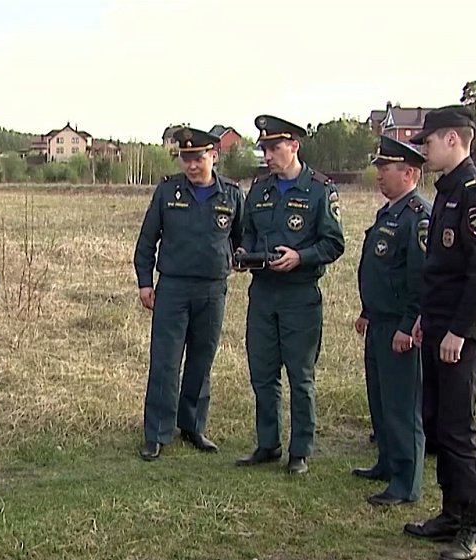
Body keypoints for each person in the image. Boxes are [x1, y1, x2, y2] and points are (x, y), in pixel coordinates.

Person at [402, 106, 476, 560]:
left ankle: (475, 528)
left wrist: (459, 331)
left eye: (427, 142)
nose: (423, 150)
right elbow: (440, 269)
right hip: (438, 326)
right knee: (439, 423)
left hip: (462, 335)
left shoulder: (475, 194)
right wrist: (426, 318)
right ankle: (451, 512)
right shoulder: (447, 192)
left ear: (451, 139)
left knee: (461, 428)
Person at [235, 114, 345, 475]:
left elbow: (334, 243)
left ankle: (300, 450)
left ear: (294, 146)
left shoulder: (320, 189)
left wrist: (301, 257)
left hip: (300, 295)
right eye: (264, 149)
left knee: (300, 377)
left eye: (274, 148)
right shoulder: (259, 189)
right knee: (262, 373)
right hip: (263, 294)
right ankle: (268, 444)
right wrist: (244, 254)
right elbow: (248, 232)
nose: (267, 156)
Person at [133, 126, 245, 461]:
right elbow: (147, 240)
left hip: (212, 290)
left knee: (201, 360)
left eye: (198, 158)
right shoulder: (168, 191)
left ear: (214, 156)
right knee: (165, 362)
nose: (192, 165)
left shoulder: (231, 195)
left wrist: (239, 259)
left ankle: (193, 426)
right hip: (173, 289)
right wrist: (144, 282)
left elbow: (242, 239)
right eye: (186, 158)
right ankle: (157, 433)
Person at [352, 136, 430, 506]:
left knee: (401, 406)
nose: (379, 176)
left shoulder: (418, 216)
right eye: (379, 168)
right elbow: (382, 270)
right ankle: (386, 462)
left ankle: (406, 482)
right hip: (379, 321)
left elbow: (421, 278)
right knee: (381, 400)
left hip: (400, 326)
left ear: (409, 173)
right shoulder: (389, 212)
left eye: (386, 169)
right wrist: (367, 310)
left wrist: (408, 324)